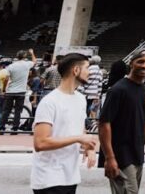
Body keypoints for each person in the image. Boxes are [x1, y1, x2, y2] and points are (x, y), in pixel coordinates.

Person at [31, 53, 98, 194]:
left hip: (70, 177)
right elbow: (40, 143)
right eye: (87, 68)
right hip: (48, 179)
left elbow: (79, 130)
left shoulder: (81, 99)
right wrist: (79, 139)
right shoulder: (50, 102)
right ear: (75, 70)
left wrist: (88, 147)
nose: (89, 72)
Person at [98, 49, 145, 194]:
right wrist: (109, 158)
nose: (144, 66)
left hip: (137, 154)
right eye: (140, 62)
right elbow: (104, 124)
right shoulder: (117, 90)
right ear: (131, 63)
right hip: (120, 155)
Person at [1, 48, 37, 134]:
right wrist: (32, 53)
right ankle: (14, 129)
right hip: (21, 91)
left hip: (10, 91)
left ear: (17, 57)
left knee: (6, 110)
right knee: (18, 111)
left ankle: (1, 128)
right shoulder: (27, 64)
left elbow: (6, 79)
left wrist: (3, 89)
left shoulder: (11, 66)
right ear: (25, 56)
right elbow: (35, 61)